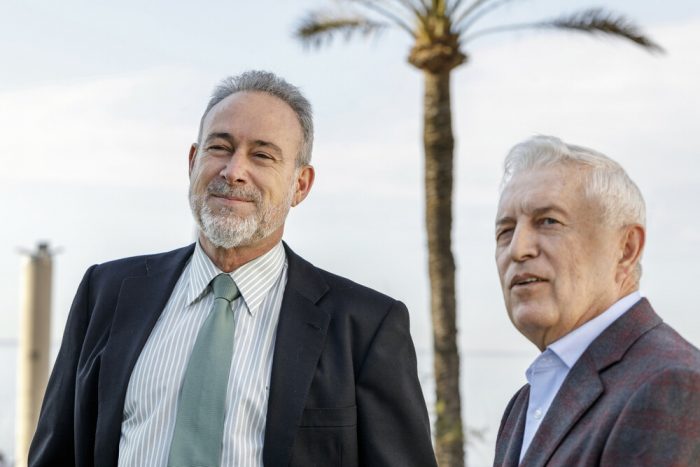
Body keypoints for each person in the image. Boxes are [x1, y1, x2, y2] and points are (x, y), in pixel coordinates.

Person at [29, 71, 437, 467]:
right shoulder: (107, 292)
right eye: (220, 147)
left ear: (300, 185)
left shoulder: (365, 327)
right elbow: (57, 452)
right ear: (192, 161)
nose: (234, 170)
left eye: (262, 155)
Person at [493, 135, 700, 466]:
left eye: (548, 221)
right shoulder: (525, 403)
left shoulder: (673, 385)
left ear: (626, 248)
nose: (518, 249)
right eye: (505, 231)